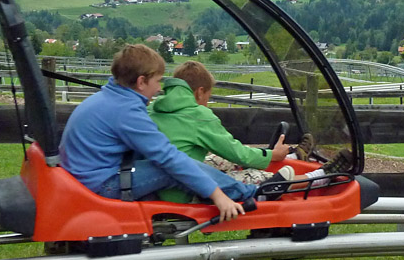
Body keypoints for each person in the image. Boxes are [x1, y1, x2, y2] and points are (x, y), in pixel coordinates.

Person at [61, 44, 272, 222]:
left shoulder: (109, 98)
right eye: (157, 81)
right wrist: (217, 195)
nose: (159, 88)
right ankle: (250, 194)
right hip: (100, 186)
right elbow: (168, 158)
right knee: (169, 167)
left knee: (175, 164)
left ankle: (235, 189)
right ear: (141, 81)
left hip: (87, 178)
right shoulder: (126, 111)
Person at [149, 60, 326, 202]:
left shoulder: (153, 109)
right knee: (256, 177)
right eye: (208, 97)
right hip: (185, 192)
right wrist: (271, 155)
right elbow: (237, 154)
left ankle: (292, 158)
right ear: (199, 92)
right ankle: (319, 176)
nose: (207, 103)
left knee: (217, 159)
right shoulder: (198, 115)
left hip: (160, 184)